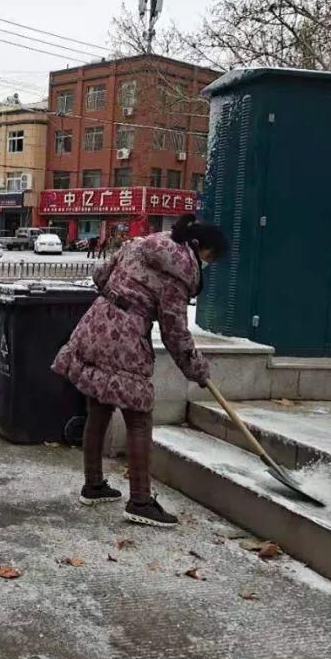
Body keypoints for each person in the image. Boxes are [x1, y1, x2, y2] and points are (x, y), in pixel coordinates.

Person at [52, 215, 228, 527]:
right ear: (198, 247)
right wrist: (197, 369)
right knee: (139, 418)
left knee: (100, 408)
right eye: (209, 258)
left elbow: (100, 274)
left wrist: (125, 298)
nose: (207, 264)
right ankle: (141, 500)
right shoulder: (180, 272)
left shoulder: (139, 244)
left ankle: (93, 485)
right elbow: (176, 334)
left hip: (95, 325)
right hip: (126, 340)